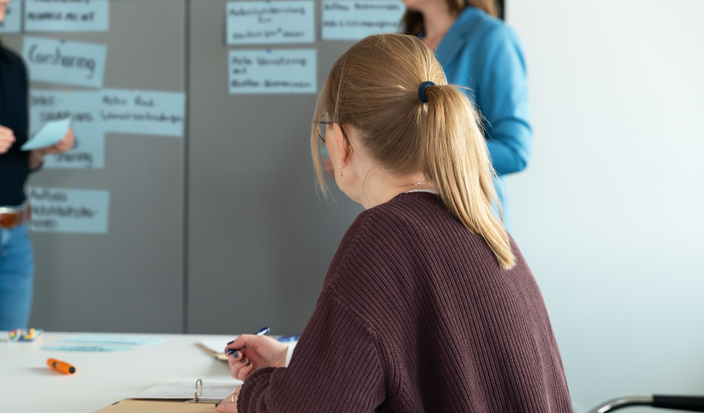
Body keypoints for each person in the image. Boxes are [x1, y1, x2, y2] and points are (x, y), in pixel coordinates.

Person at [216, 34, 571, 413]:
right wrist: (294, 362)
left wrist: (247, 397)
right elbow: (424, 370)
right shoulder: (486, 230)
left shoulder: (384, 236)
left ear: (339, 141)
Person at [0, 0, 74, 330]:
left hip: (14, 240)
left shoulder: (12, 66)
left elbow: (15, 162)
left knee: (3, 363)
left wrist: (41, 151)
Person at [403, 0, 532, 218]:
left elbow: (515, 151)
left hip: (467, 221)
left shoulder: (494, 37)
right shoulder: (409, 44)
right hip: (410, 217)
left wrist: (423, 158)